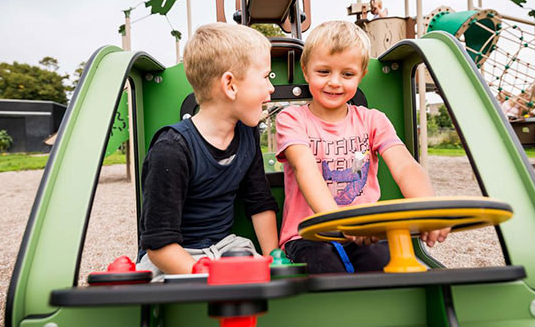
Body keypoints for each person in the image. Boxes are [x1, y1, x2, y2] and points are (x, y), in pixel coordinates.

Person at [275, 21, 449, 274]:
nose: (335, 82)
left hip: (365, 230)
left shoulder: (372, 120)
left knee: (389, 268)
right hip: (307, 234)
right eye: (323, 72)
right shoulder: (292, 119)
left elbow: (404, 166)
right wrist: (338, 222)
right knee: (326, 273)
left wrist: (429, 207)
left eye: (347, 74)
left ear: (362, 74)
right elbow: (305, 169)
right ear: (306, 69)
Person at [137, 23, 279, 279]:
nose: (271, 88)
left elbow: (259, 202)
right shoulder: (172, 149)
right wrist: (208, 277)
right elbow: (158, 245)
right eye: (265, 77)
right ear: (230, 85)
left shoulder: (247, 135)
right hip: (175, 256)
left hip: (226, 248)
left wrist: (274, 258)